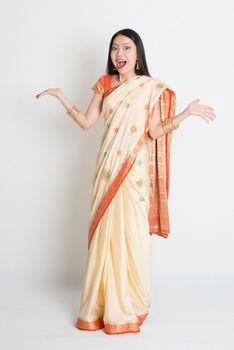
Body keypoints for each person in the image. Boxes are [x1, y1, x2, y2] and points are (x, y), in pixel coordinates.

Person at [35, 28, 216, 335]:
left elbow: (155, 132)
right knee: (106, 237)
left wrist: (186, 113)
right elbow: (87, 123)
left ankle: (128, 304)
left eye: (126, 48)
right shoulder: (104, 84)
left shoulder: (150, 88)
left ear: (137, 54)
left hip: (134, 175)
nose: (119, 54)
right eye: (114, 48)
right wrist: (61, 97)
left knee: (132, 238)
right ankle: (100, 307)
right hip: (107, 171)